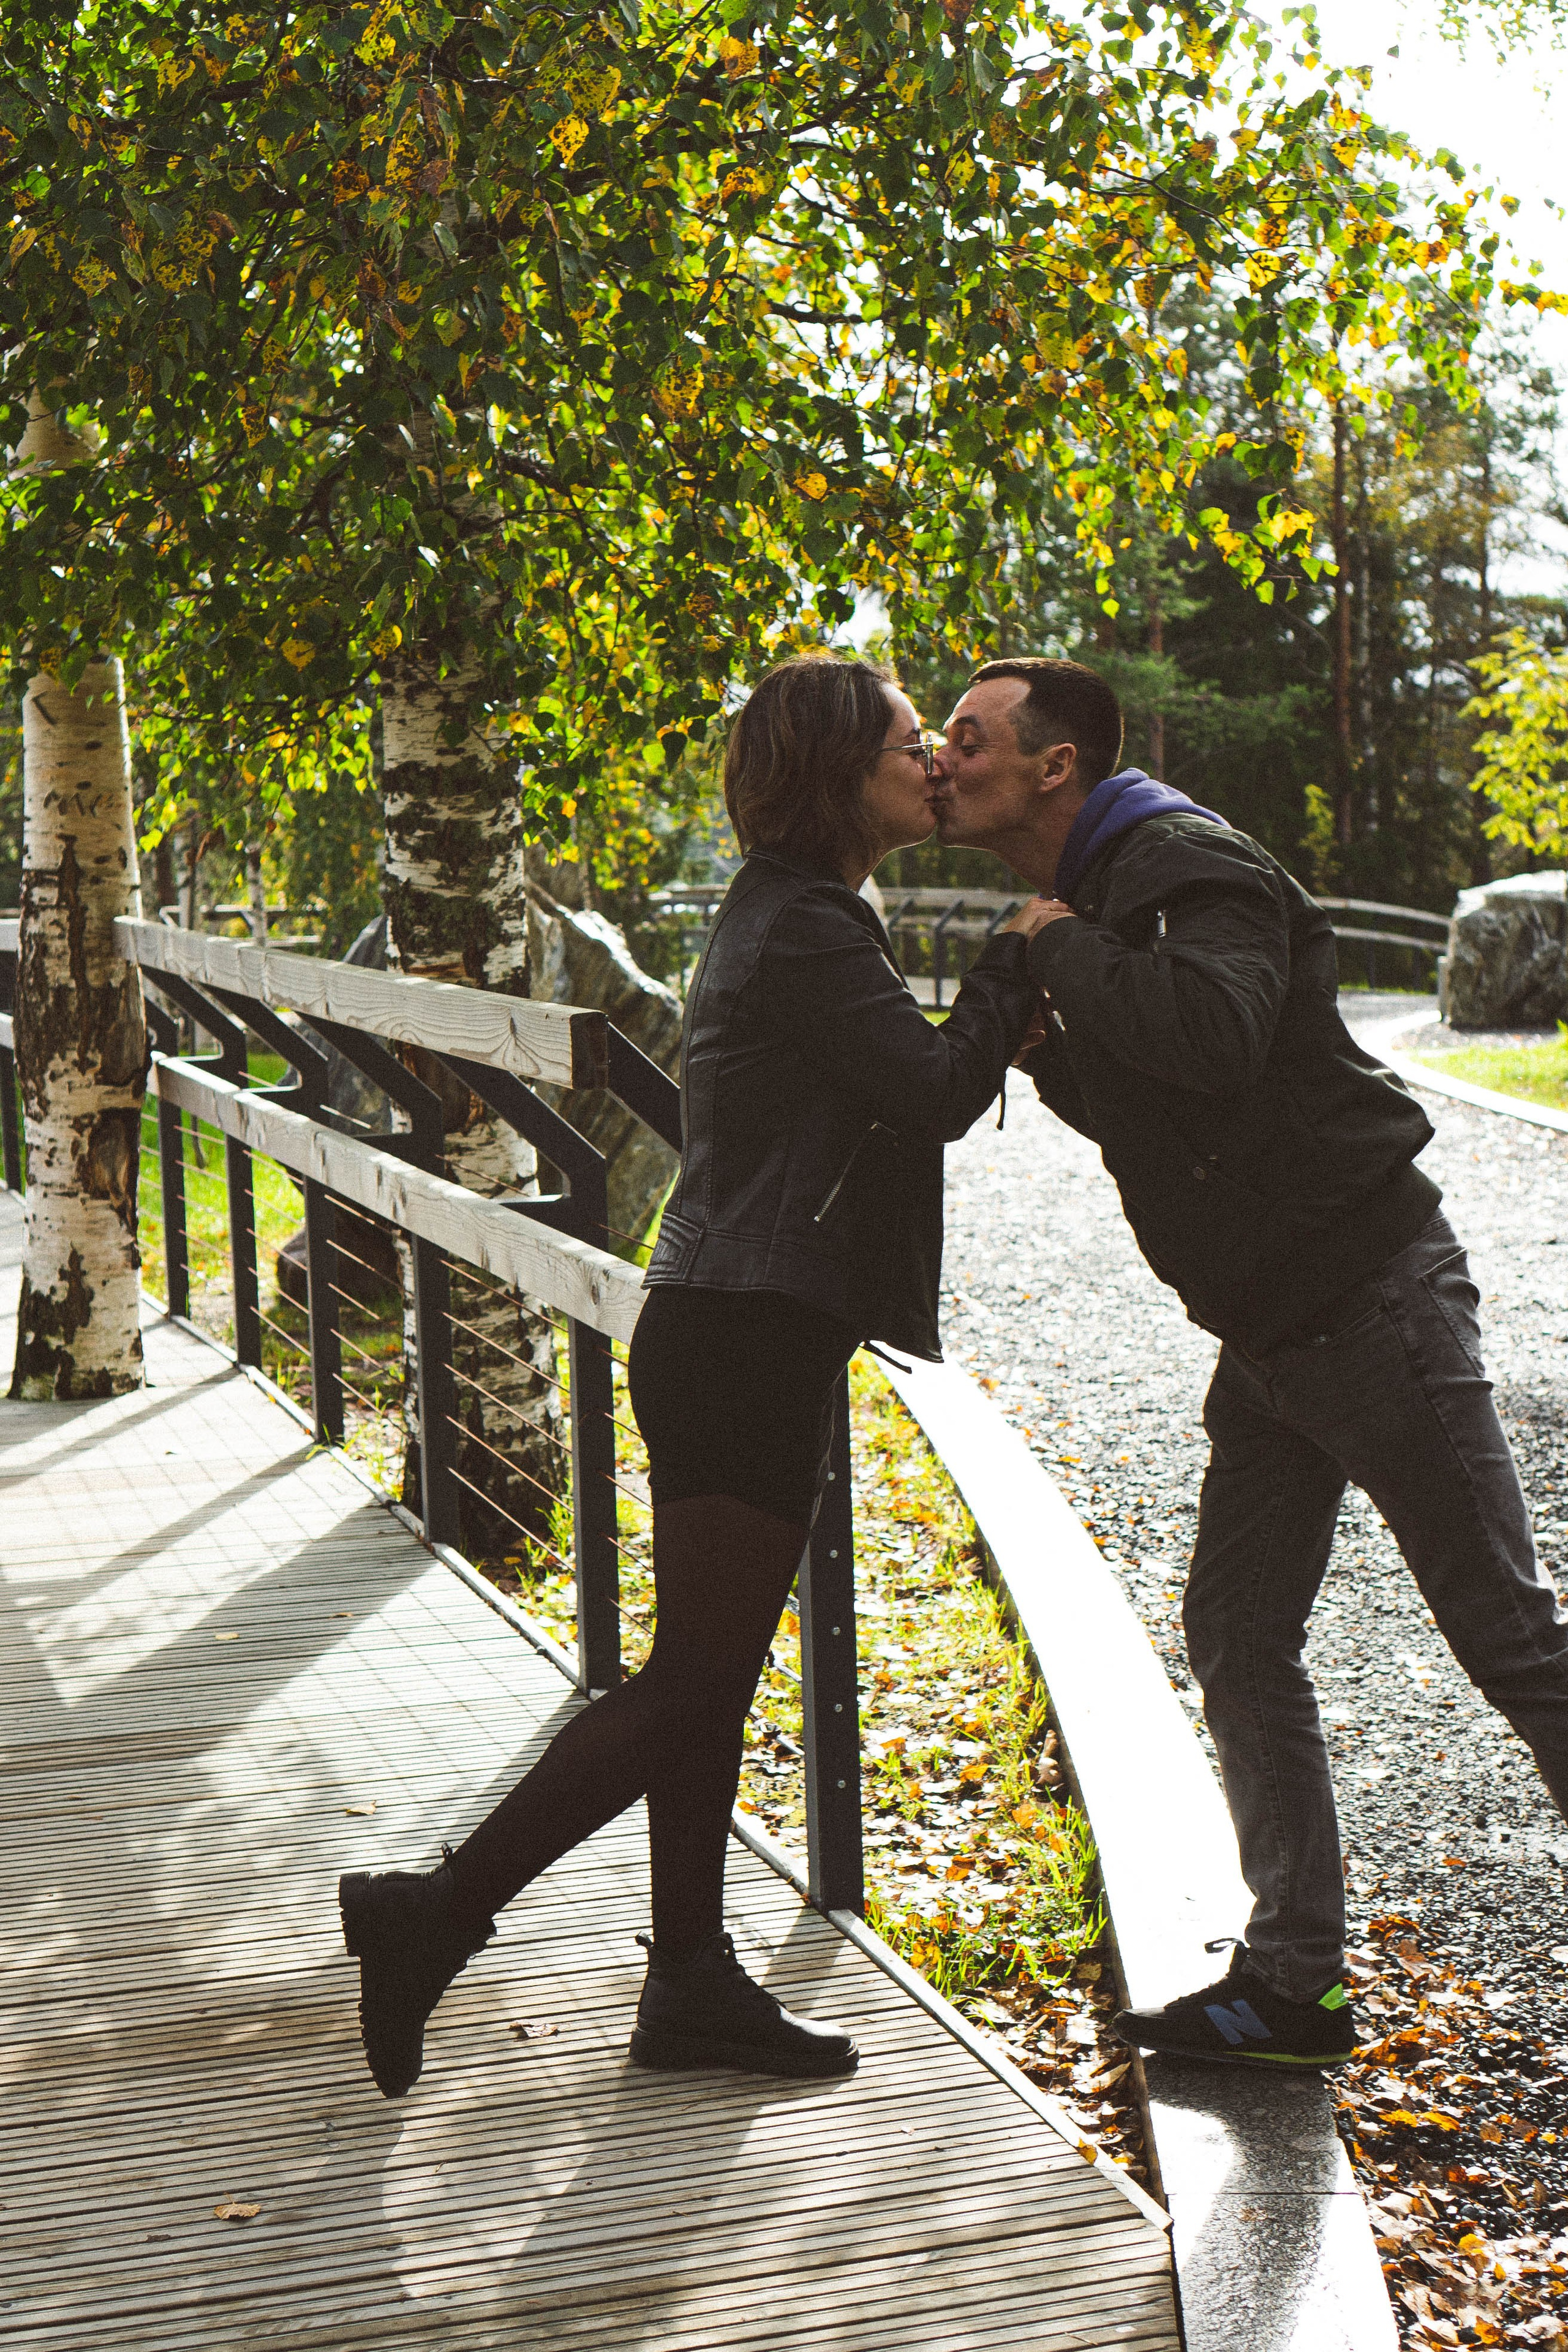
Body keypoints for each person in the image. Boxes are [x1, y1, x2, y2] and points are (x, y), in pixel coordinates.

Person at [339, 655, 1050, 2098]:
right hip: (745, 1337)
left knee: (704, 1685)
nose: (928, 761)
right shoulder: (805, 926)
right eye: (906, 742)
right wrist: (1012, 964)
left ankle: (687, 1983)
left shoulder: (790, 910)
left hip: (728, 1325)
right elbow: (929, 1092)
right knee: (688, 1686)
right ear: (836, 773)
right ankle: (436, 1912)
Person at [930, 654, 1568, 2070]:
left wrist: (1055, 954)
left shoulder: (1179, 862)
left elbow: (1214, 1038)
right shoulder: (1104, 893)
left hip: (1369, 1300)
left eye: (967, 737)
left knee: (1510, 1638)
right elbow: (1170, 1114)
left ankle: (1290, 1980)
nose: (939, 759)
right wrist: (1052, 1046)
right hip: (1274, 1333)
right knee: (1233, 1632)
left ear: (1053, 766)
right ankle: (1293, 1988)